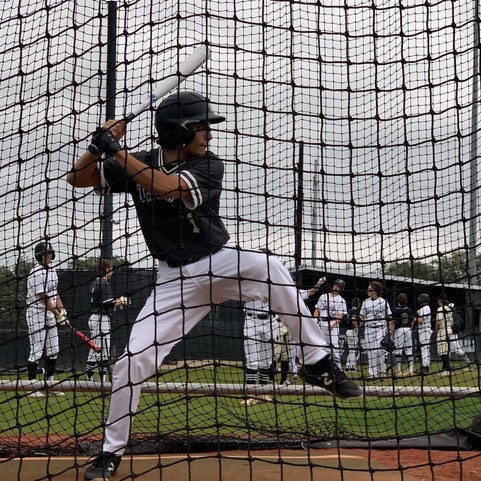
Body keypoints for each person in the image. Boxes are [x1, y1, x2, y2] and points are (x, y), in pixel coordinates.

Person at [66, 90, 361, 479]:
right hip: (172, 281)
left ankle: (315, 361)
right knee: (130, 363)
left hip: (218, 264)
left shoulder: (208, 165)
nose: (208, 133)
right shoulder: (139, 161)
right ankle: (109, 452)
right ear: (178, 131)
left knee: (271, 267)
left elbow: (164, 187)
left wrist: (116, 150)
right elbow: (77, 178)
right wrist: (97, 144)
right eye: (200, 126)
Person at [26, 242, 68, 397]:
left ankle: (49, 384)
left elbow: (54, 292)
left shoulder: (52, 270)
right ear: (39, 256)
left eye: (50, 253)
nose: (48, 256)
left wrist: (62, 309)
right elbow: (43, 297)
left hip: (49, 313)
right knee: (36, 349)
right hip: (36, 312)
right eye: (45, 254)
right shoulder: (36, 273)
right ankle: (31, 386)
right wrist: (58, 314)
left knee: (53, 349)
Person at [86, 259, 129, 383]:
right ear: (107, 269)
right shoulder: (103, 283)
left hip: (97, 318)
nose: (112, 271)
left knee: (99, 349)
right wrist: (121, 301)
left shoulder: (95, 282)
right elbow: (108, 304)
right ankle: (95, 380)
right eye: (111, 268)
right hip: (100, 319)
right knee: (100, 349)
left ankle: (97, 379)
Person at [240, 298, 276, 405]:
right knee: (252, 360)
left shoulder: (274, 281)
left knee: (266, 361)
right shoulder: (248, 281)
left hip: (270, 321)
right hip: (251, 320)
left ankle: (262, 393)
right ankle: (250, 395)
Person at [359, 281, 392, 379]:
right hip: (368, 329)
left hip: (380, 328)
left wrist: (390, 329)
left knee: (378, 350)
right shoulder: (365, 302)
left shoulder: (383, 302)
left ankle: (382, 371)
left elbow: (389, 316)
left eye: (370, 289)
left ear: (375, 290)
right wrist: (358, 325)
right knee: (370, 352)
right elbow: (362, 317)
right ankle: (373, 374)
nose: (368, 290)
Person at [313, 279, 348, 369]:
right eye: (335, 284)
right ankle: (323, 368)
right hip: (321, 323)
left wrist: (334, 324)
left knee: (334, 347)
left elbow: (340, 315)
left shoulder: (341, 300)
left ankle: (338, 369)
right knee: (321, 347)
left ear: (341, 288)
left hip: (332, 324)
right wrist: (316, 321)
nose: (336, 286)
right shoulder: (323, 296)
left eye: (338, 286)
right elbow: (317, 310)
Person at [389, 293, 415, 376]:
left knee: (398, 351)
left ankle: (399, 371)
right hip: (408, 330)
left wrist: (391, 333)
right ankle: (411, 371)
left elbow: (393, 323)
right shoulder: (409, 310)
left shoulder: (395, 311)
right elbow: (412, 321)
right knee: (409, 351)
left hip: (399, 330)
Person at [448, 303, 472, 369]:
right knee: (448, 350)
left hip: (452, 334)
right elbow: (462, 323)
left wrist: (452, 328)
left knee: (457, 350)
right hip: (452, 334)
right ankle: (448, 365)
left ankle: (469, 362)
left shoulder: (451, 316)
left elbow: (457, 324)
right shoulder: (456, 316)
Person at [435, 295, 454, 375]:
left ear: (440, 301)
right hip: (449, 329)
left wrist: (436, 329)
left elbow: (438, 322)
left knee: (442, 350)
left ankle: (447, 368)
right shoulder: (449, 309)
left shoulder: (440, 309)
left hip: (443, 330)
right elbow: (452, 323)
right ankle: (445, 368)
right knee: (446, 350)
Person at [415, 293, 432, 375]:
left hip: (424, 329)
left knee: (424, 349)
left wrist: (415, 318)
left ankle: (425, 367)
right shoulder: (424, 308)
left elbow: (421, 320)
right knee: (424, 348)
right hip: (423, 330)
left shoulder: (425, 308)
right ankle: (425, 366)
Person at [344, 297, 361, 372]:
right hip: (353, 331)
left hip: (347, 331)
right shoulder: (355, 311)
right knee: (354, 350)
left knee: (351, 350)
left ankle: (348, 366)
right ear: (359, 304)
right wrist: (357, 327)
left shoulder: (349, 311)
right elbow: (354, 319)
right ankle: (352, 367)